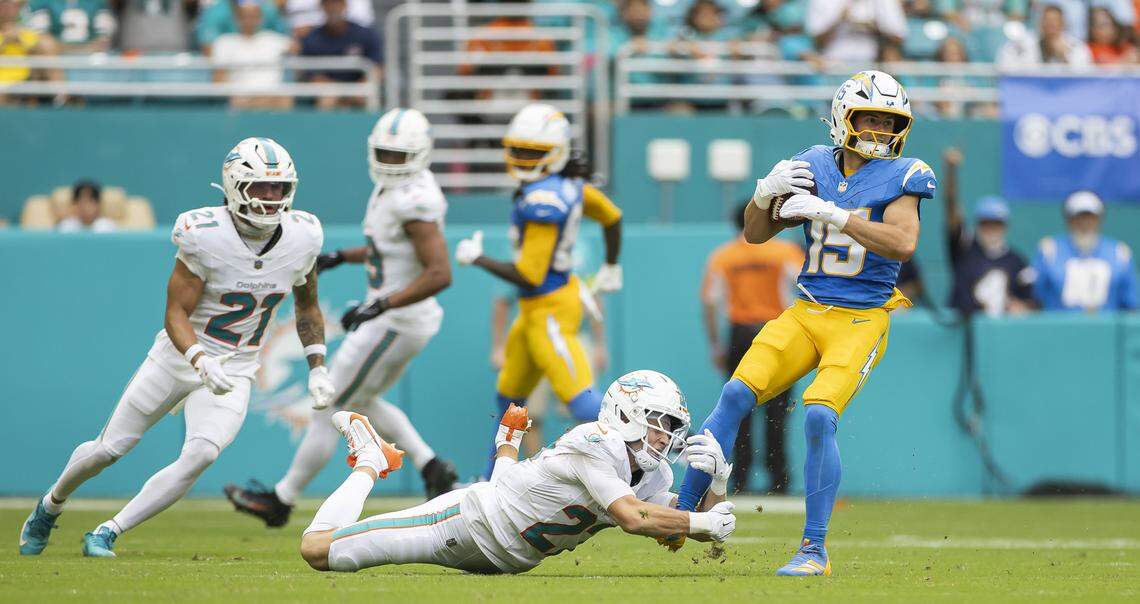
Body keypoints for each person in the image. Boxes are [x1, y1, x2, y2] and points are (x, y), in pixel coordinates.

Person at [674, 70, 936, 577]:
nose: (881, 131)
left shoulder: (906, 173)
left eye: (890, 122)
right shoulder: (814, 162)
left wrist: (835, 214)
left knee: (818, 415)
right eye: (871, 119)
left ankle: (814, 550)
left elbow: (904, 244)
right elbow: (755, 233)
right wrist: (762, 194)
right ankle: (681, 514)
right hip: (806, 309)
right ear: (843, 117)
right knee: (733, 396)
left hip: (861, 318)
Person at [19, 138, 332, 557]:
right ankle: (50, 505)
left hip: (236, 368)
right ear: (235, 186)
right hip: (179, 356)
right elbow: (175, 314)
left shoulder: (303, 236)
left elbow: (307, 306)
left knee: (201, 454)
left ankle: (107, 532)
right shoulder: (205, 235)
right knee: (109, 449)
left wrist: (318, 367)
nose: (272, 198)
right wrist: (199, 359)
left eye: (279, 188)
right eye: (261, 187)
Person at [224, 109, 458, 526]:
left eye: (398, 156)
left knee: (329, 404)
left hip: (398, 321)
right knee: (364, 400)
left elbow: (440, 272)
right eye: (384, 153)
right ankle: (432, 467)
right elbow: (391, 248)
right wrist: (340, 257)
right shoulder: (397, 194)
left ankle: (282, 498)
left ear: (421, 155)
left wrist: (380, 305)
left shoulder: (414, 201)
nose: (389, 163)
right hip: (401, 318)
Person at [298, 370, 738, 574]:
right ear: (626, 413)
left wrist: (717, 486)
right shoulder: (596, 441)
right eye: (661, 422)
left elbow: (674, 534)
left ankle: (375, 460)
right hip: (461, 524)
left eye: (673, 427)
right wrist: (704, 518)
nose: (666, 437)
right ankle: (371, 462)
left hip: (502, 554)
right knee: (317, 552)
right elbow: (632, 517)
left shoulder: (653, 475)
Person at [454, 103, 624, 478]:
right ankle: (491, 481)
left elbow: (530, 274)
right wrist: (612, 263)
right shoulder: (573, 187)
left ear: (557, 152)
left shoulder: (545, 198)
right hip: (533, 312)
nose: (523, 158)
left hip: (550, 309)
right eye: (519, 149)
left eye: (534, 151)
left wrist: (479, 258)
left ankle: (651, 453)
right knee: (509, 398)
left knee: (583, 403)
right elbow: (613, 216)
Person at [700, 201, 803, 494]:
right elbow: (807, 287)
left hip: (740, 335)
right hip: (778, 333)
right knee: (778, 411)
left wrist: (716, 345)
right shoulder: (785, 252)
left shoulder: (723, 257)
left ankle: (740, 478)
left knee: (738, 410)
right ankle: (779, 479)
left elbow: (710, 303)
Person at [942, 147, 1035, 316]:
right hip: (963, 333)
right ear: (977, 224)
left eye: (996, 223)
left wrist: (1020, 307)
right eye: (986, 223)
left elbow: (1032, 303)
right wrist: (951, 171)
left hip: (1002, 334)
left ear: (1005, 226)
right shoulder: (965, 249)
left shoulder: (1017, 261)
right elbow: (951, 208)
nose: (991, 228)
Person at [1032, 190, 1138, 312]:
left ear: (1099, 220)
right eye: (1079, 218)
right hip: (1059, 328)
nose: (1085, 223)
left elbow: (1130, 303)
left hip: (1106, 328)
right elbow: (1036, 297)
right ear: (1069, 220)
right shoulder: (1050, 250)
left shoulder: (1119, 253)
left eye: (1090, 218)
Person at [211, 0, 295, 111]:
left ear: (261, 18)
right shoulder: (224, 42)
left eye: (253, 16)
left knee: (285, 98)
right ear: (236, 18)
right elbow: (218, 79)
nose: (249, 20)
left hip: (272, 98)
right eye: (244, 16)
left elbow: (298, 48)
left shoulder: (274, 40)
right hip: (241, 100)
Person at [299, 0, 382, 110]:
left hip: (359, 91)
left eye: (337, 3)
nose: (333, 8)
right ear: (322, 7)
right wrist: (340, 92)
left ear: (345, 5)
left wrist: (358, 90)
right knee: (327, 97)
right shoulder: (312, 38)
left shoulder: (365, 35)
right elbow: (310, 74)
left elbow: (377, 67)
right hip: (327, 92)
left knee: (367, 93)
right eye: (329, 3)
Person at [806, 0, 906, 63]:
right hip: (832, 65)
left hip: (873, 66)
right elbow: (816, 40)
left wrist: (874, 27)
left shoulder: (884, 2)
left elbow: (899, 37)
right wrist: (840, 19)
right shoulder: (822, 2)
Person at [997, 4, 1091, 68]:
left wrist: (1064, 57)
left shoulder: (1076, 48)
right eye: (1047, 20)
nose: (1050, 25)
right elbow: (1005, 65)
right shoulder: (1022, 45)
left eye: (1055, 21)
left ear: (1063, 24)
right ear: (1040, 23)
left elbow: (1083, 77)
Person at [27, 0, 115, 54]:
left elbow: (102, 40)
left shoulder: (98, 3)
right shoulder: (41, 2)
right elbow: (41, 41)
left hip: (89, 60)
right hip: (54, 62)